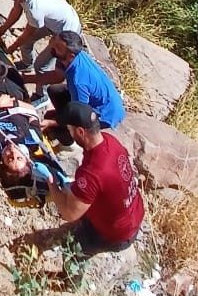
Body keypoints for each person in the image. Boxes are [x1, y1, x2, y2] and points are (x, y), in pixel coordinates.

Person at [46, 102, 144, 256]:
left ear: (80, 131)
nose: (69, 133)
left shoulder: (91, 173)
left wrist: (51, 185)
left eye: (70, 130)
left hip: (116, 233)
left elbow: (68, 214)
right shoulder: (110, 141)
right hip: (134, 213)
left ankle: (69, 276)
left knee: (74, 252)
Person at [25, 31, 126, 140]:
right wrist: (24, 79)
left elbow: (79, 116)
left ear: (70, 55)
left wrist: (51, 123)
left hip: (106, 113)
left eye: (58, 46)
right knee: (54, 91)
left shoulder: (78, 82)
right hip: (100, 97)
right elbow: (56, 77)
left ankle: (68, 141)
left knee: (74, 126)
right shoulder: (68, 57)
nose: (52, 45)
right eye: (54, 40)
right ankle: (61, 118)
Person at [0, 0, 81, 70]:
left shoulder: (34, 10)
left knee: (41, 65)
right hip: (52, 19)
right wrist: (2, 29)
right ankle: (27, 64)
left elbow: (26, 34)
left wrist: (10, 49)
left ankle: (41, 80)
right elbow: (16, 10)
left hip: (67, 29)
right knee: (26, 44)